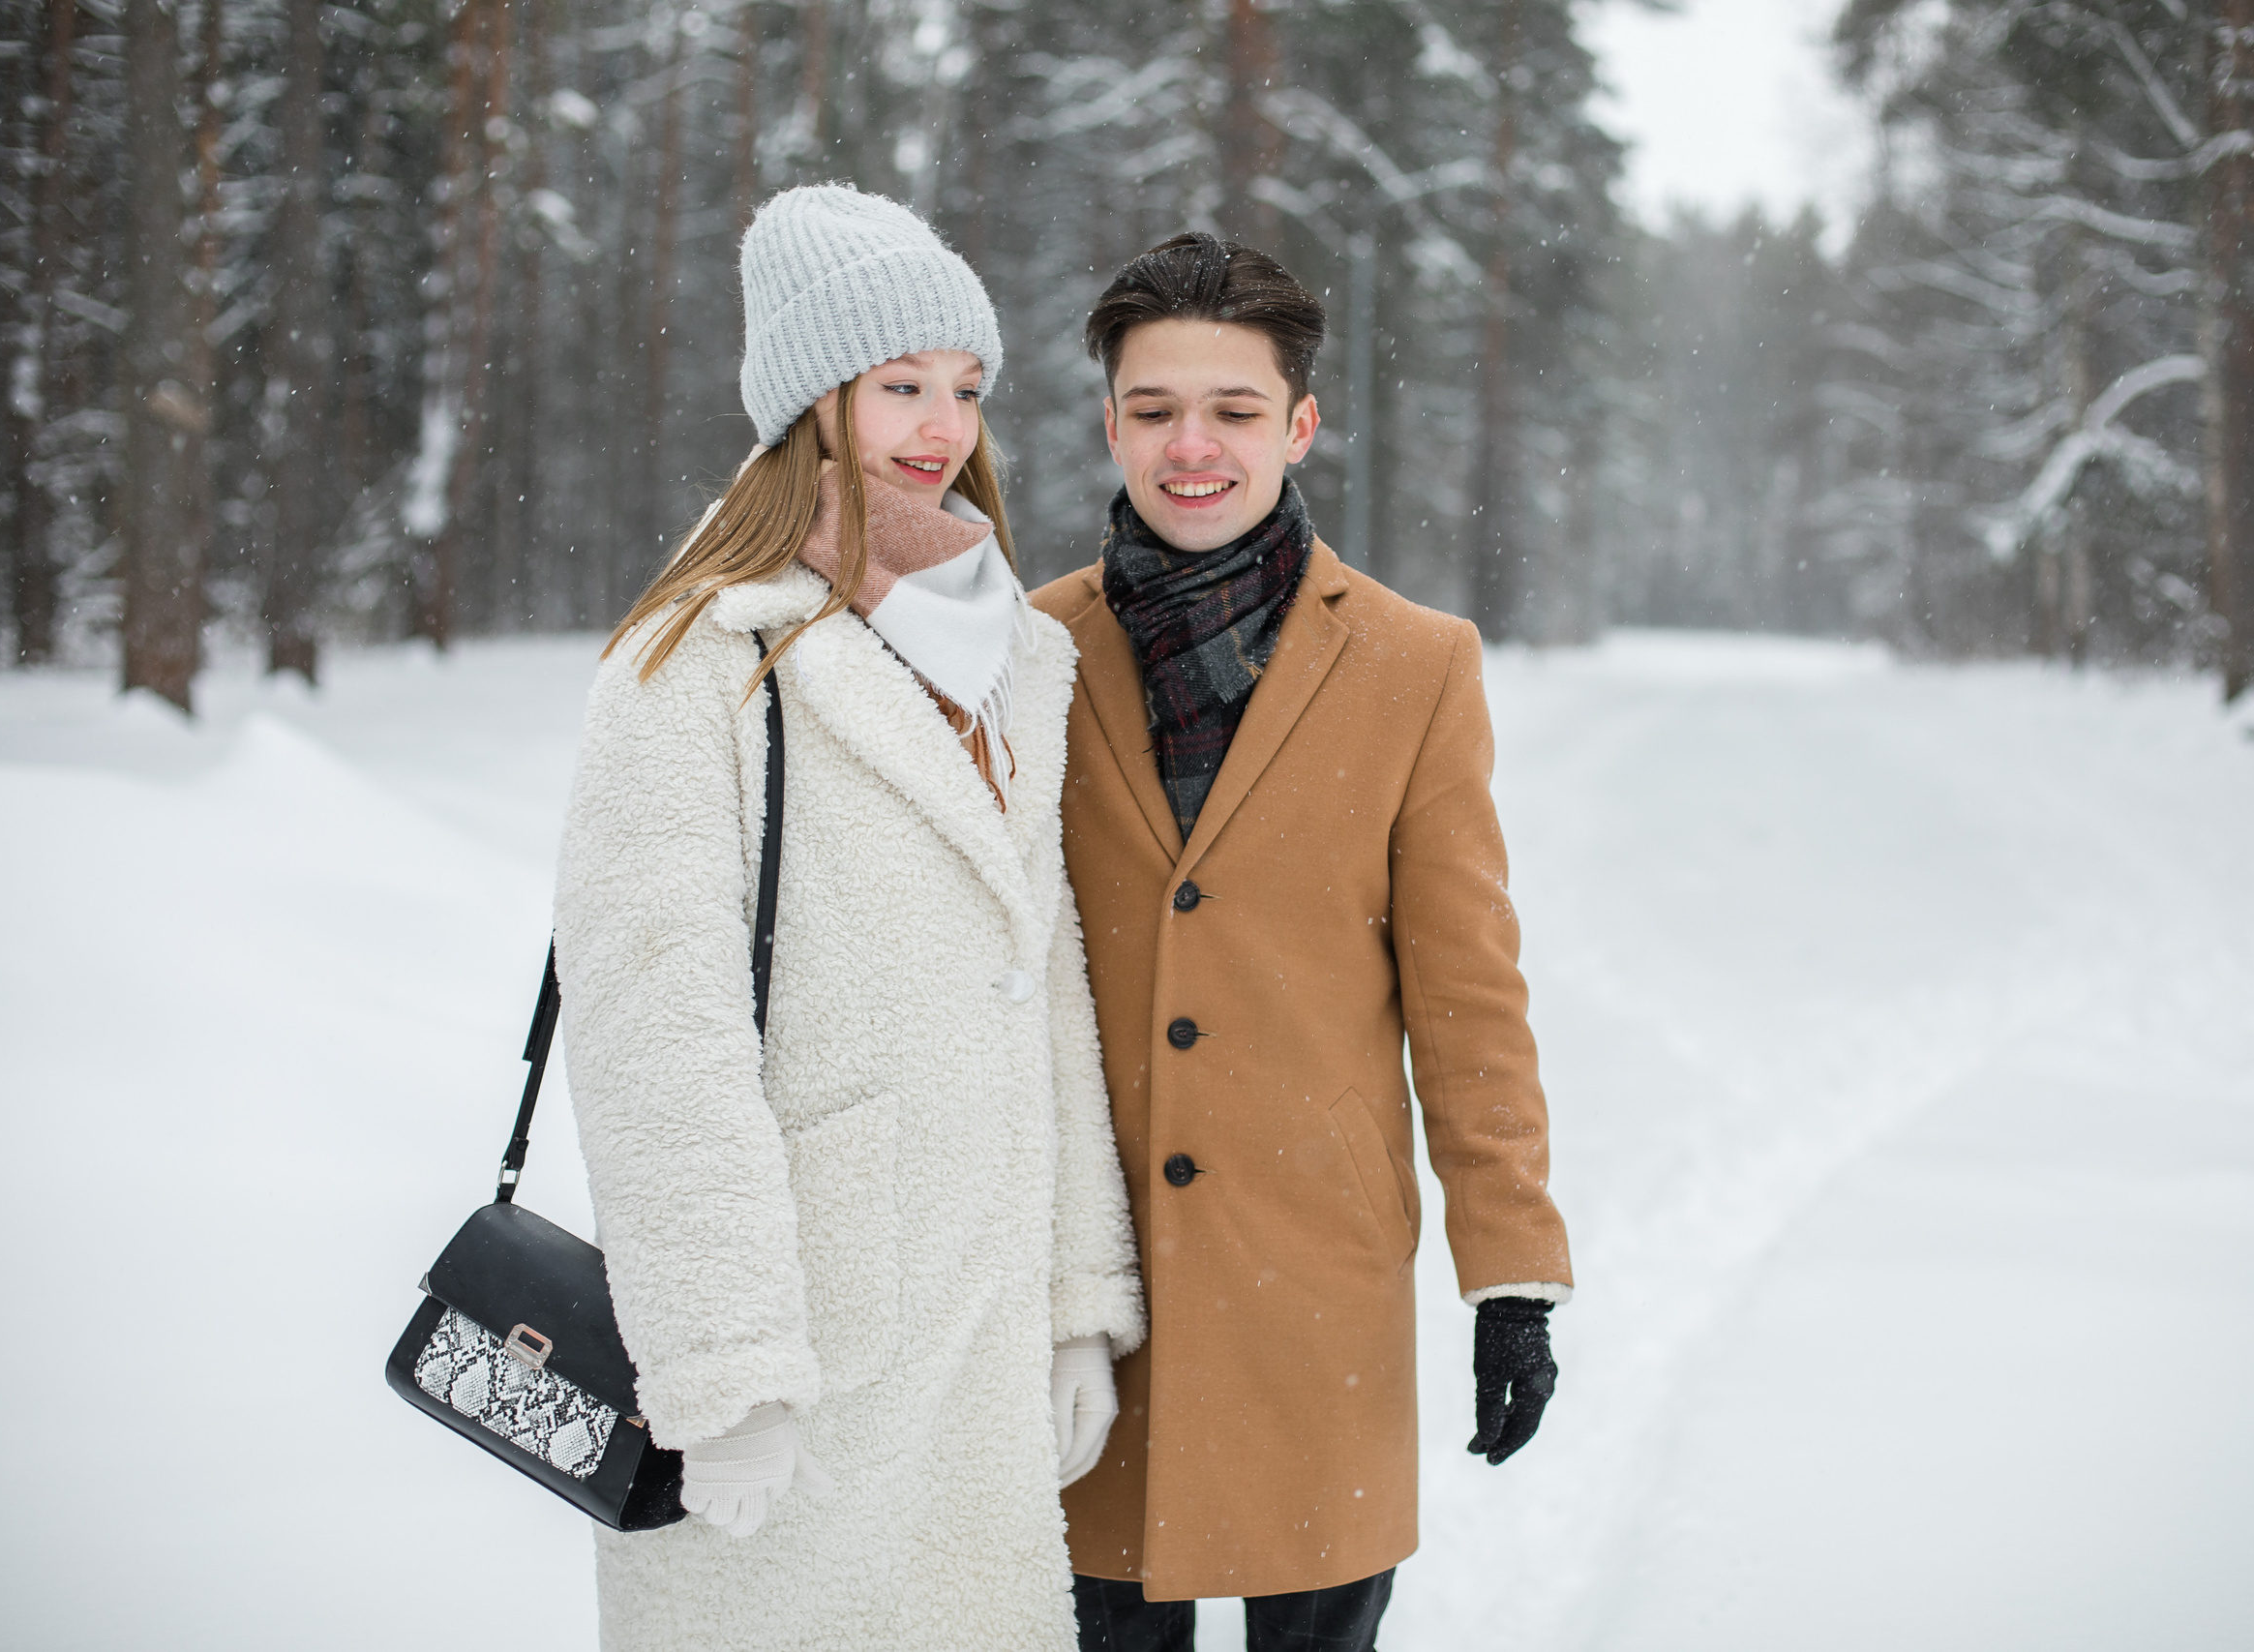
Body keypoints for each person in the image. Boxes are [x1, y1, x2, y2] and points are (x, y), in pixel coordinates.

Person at [552, 184, 1145, 1651]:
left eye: (965, 387)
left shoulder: (1012, 655)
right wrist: (724, 1362)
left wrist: (1077, 1297)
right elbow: (654, 1032)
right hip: (807, 1341)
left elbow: (1046, 979)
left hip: (979, 1327)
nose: (942, 426)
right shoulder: (694, 661)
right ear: (811, 402)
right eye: (900, 386)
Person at [1033, 232, 1575, 1652]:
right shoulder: (1026, 654)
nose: (1191, 447)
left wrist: (1510, 1277)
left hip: (1315, 1283)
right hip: (1089, 1292)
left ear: (1300, 424)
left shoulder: (1414, 664)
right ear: (1109, 424)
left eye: (1234, 409)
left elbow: (1467, 996)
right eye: (1155, 409)